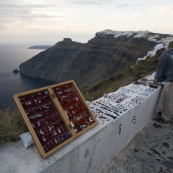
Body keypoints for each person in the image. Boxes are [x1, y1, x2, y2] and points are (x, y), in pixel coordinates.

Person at [153, 43, 173, 123]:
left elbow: (161, 70)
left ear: (160, 50)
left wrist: (156, 80)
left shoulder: (164, 56)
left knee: (168, 99)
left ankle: (165, 118)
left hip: (172, 80)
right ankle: (168, 113)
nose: (157, 54)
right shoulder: (171, 54)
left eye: (157, 52)